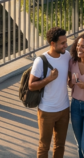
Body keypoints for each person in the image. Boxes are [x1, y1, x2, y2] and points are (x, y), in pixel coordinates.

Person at [29, 27, 71, 158]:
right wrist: (49, 79)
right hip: (47, 111)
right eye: (62, 43)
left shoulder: (67, 55)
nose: (66, 45)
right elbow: (31, 85)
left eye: (66, 42)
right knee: (44, 146)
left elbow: (69, 76)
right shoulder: (40, 61)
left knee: (60, 145)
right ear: (53, 43)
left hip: (64, 109)